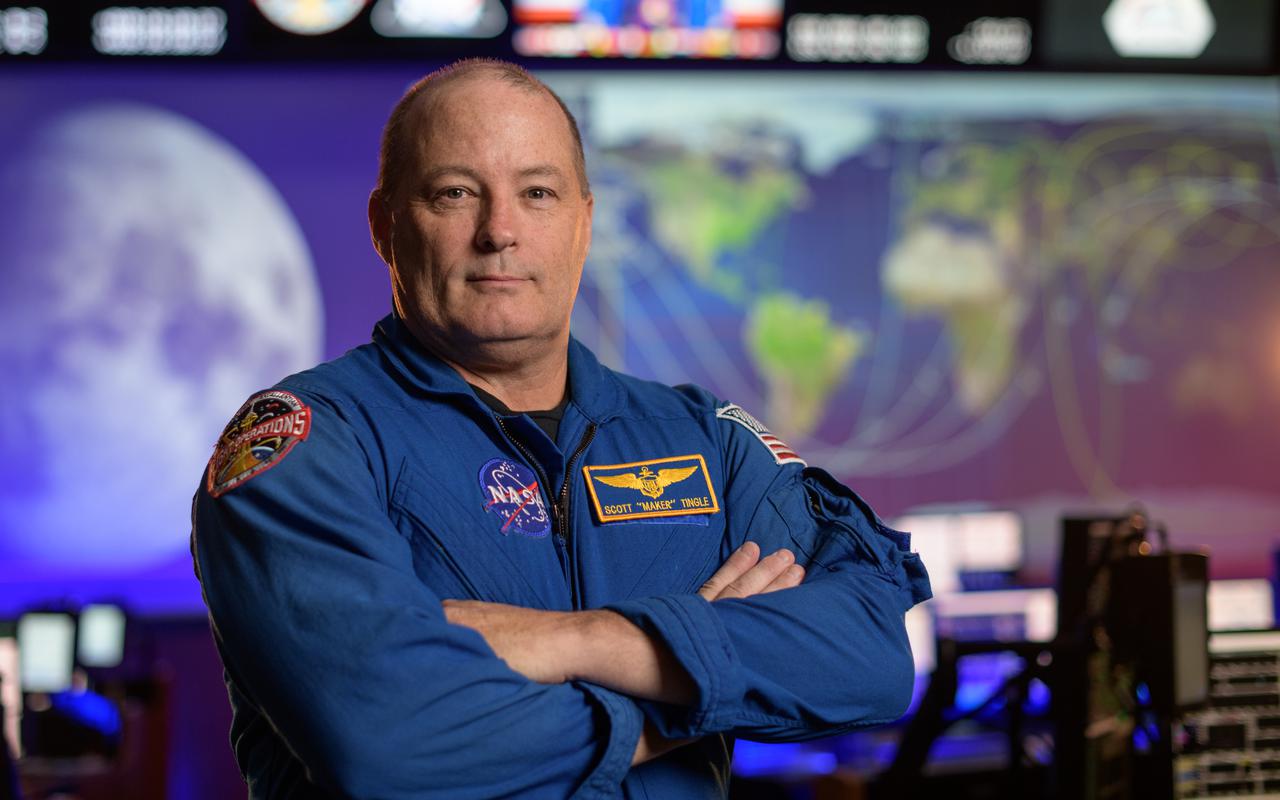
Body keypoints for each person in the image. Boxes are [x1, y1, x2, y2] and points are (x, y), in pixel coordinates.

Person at [191, 58, 931, 799]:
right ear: (387, 227)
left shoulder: (700, 439)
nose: (499, 231)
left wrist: (581, 640)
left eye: (537, 193)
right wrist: (691, 688)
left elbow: (870, 654)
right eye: (455, 193)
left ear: (584, 223)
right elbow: (391, 744)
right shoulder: (307, 446)